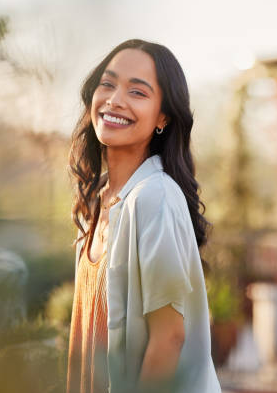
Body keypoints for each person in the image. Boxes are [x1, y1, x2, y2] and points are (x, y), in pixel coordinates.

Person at [66, 38, 222, 393]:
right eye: (107, 84)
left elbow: (168, 339)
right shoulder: (98, 202)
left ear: (163, 117)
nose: (115, 100)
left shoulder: (155, 197)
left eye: (137, 92)